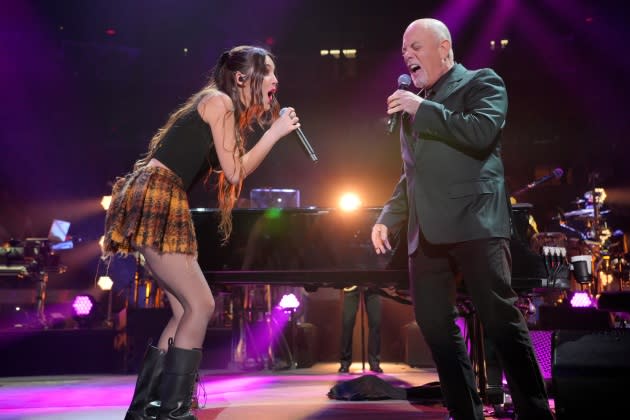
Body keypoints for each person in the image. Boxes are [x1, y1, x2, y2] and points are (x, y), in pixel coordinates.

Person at [103, 45, 301, 420]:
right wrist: (274, 134)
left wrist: (270, 133)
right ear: (242, 78)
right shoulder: (219, 101)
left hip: (159, 195)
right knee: (202, 305)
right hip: (159, 195)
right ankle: (173, 411)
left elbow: (233, 167)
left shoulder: (221, 108)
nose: (276, 80)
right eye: (269, 71)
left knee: (183, 311)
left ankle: (146, 409)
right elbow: (235, 173)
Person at [371, 19, 554, 420]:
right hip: (427, 230)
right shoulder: (415, 101)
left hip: (475, 222)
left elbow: (481, 132)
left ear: (444, 47)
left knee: (499, 319)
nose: (407, 56)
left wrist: (424, 108)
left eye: (415, 46)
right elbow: (412, 173)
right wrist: (389, 216)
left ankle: (535, 411)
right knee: (434, 325)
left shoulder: (481, 82)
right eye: (404, 50)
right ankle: (464, 410)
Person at [338, 286, 382, 373]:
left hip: (372, 284)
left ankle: (374, 362)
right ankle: (345, 362)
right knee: (347, 323)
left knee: (376, 322)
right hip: (351, 283)